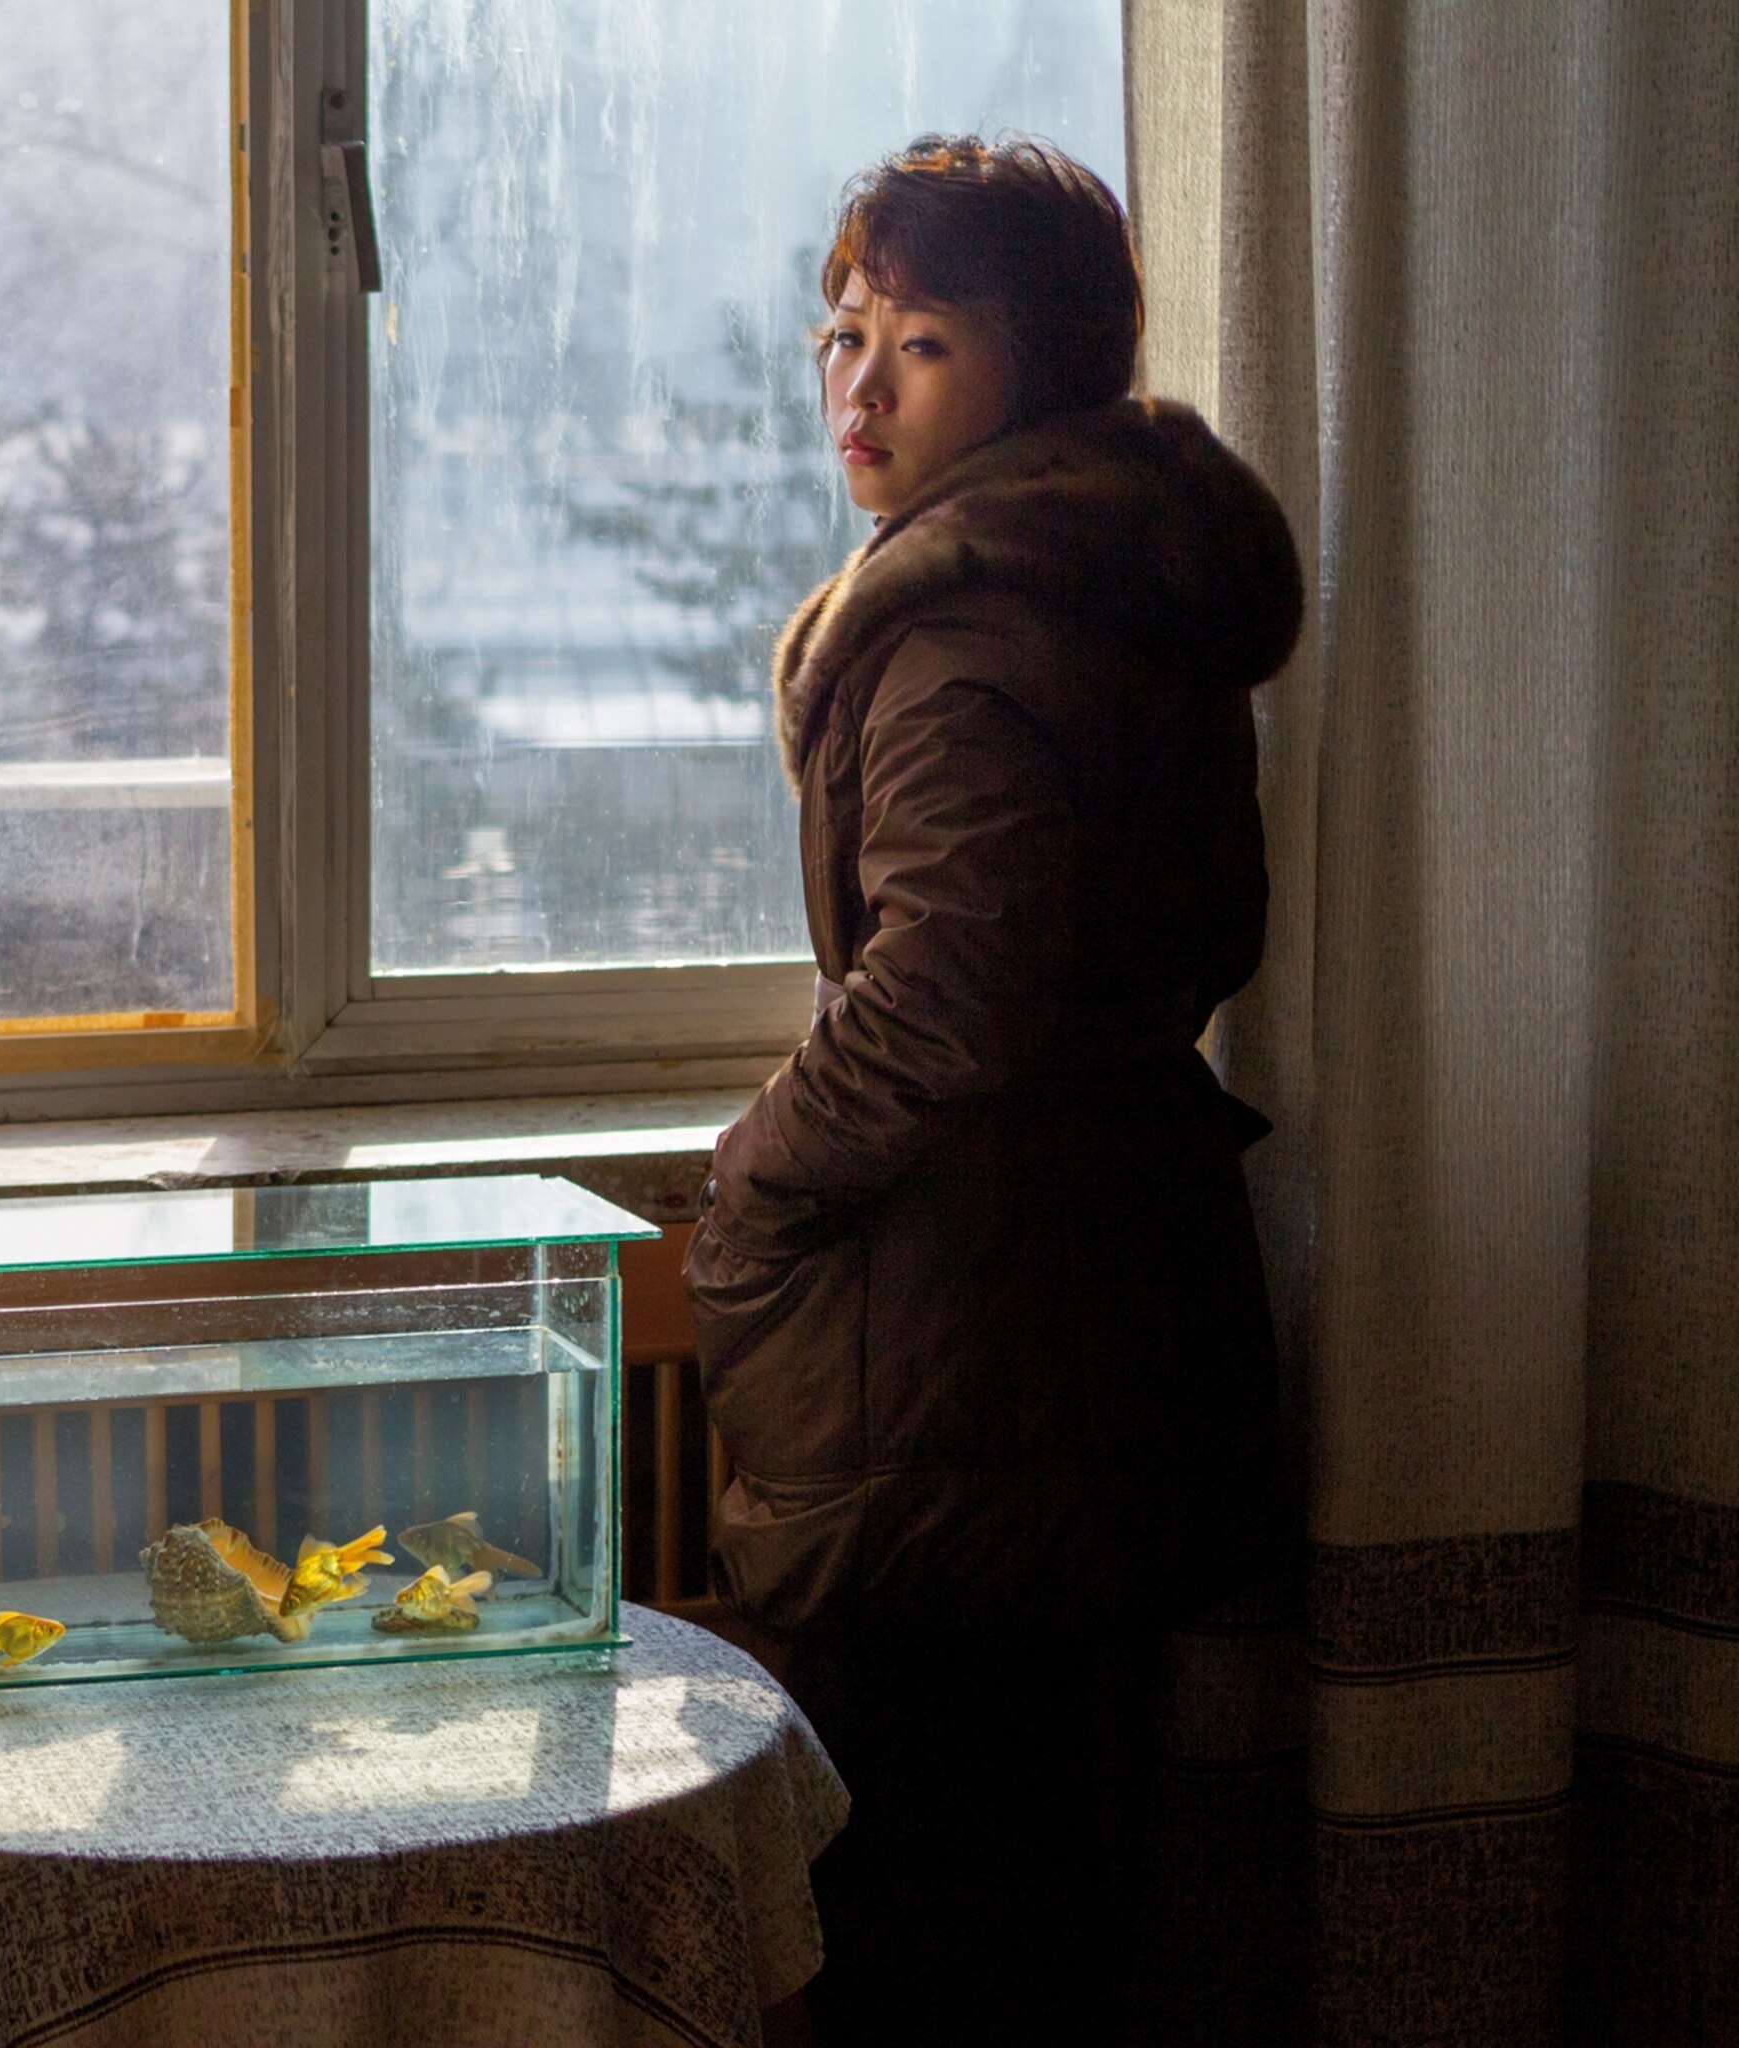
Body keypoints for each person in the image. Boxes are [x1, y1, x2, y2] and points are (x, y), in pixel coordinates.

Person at [686, 135, 1298, 2044]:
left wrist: (750, 1184)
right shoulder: (1109, 582)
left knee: (933, 1921)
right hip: (1087, 1329)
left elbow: (942, 1000)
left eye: (925, 342)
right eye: (843, 330)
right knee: (1049, 1892)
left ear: (1035, 374)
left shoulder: (967, 634)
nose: (858, 386)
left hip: (966, 1374)